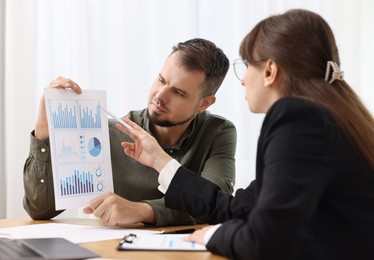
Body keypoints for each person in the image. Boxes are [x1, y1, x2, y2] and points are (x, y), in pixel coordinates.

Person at [113, 9, 374, 259]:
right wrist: (160, 161)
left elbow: (265, 239)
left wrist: (213, 235)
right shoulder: (330, 116)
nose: (243, 80)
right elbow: (238, 207)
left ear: (270, 71)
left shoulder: (297, 117)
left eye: (247, 65)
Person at [23, 38, 237, 227]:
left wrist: (143, 210)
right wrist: (43, 129)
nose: (160, 96)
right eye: (161, 80)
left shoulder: (218, 132)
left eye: (178, 92)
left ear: (204, 103)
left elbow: (217, 205)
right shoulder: (107, 133)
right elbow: (39, 210)